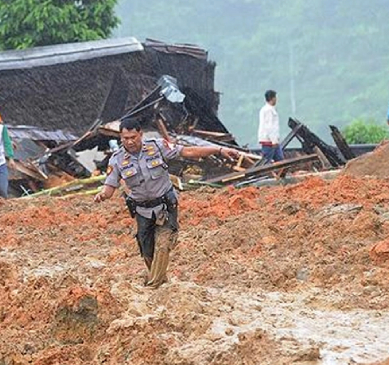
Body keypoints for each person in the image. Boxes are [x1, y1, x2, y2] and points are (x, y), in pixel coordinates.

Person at [94, 118, 240, 288]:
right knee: (147, 252)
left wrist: (219, 149)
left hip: (165, 205)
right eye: (125, 138)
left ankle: (152, 286)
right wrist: (102, 195)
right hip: (141, 210)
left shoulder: (157, 146)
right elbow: (109, 187)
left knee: (163, 246)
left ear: (140, 134)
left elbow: (188, 152)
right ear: (120, 138)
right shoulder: (117, 160)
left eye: (133, 137)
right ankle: (160, 281)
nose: (130, 141)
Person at [257, 89, 283, 163]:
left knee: (280, 160)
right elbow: (269, 127)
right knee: (267, 161)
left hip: (272, 141)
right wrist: (274, 141)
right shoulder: (268, 110)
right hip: (269, 141)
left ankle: (281, 174)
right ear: (273, 98)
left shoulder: (267, 109)